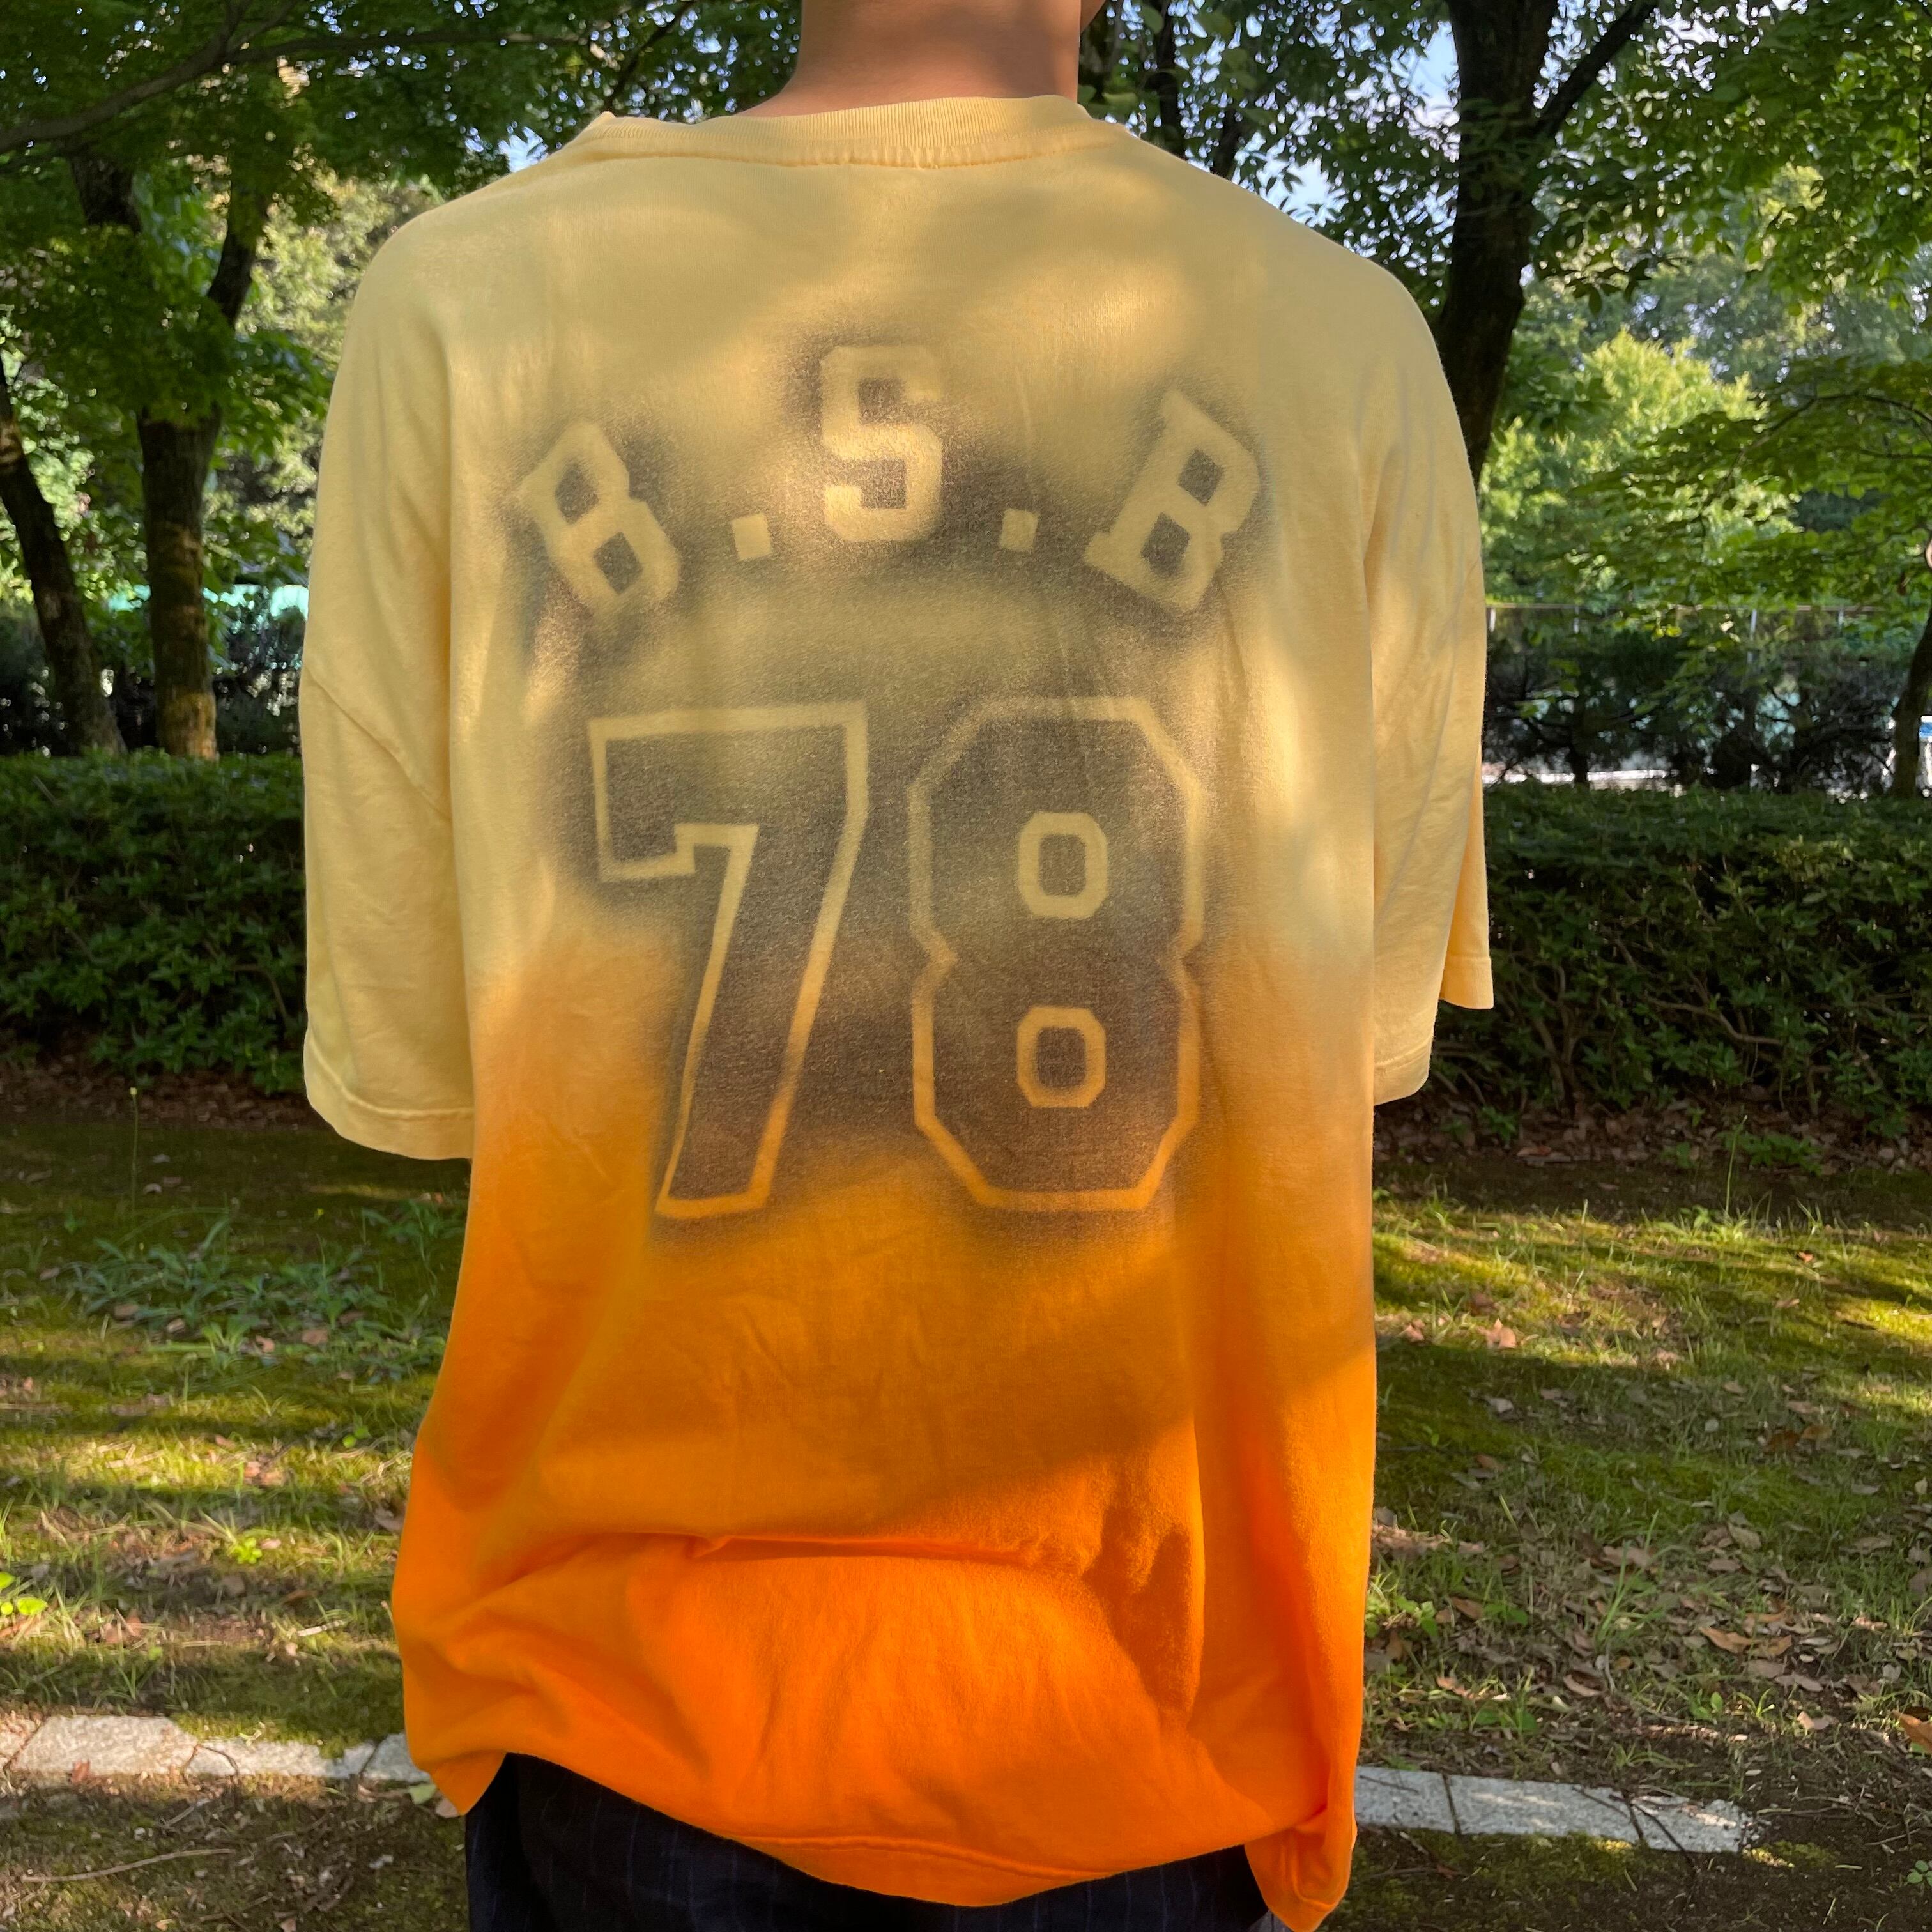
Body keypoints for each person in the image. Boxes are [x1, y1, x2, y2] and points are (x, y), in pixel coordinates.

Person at [299, 1, 1492, 1926]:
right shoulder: (1348, 344)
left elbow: (432, 1071)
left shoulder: (458, 308)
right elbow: (1332, 1056)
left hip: (627, 1698)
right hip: (1159, 1705)